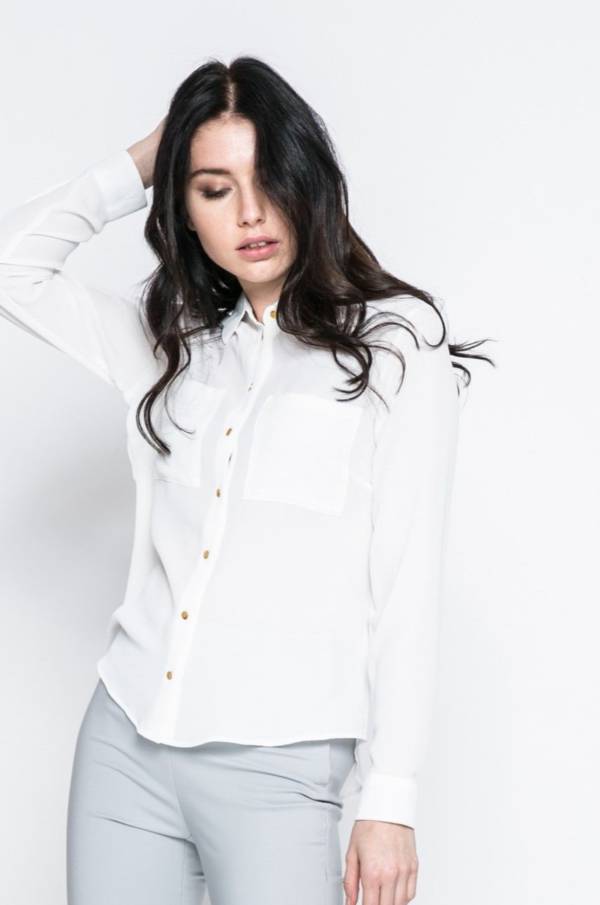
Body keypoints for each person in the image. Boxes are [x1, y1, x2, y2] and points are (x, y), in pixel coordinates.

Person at [0, 56, 490, 905]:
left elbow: (407, 581)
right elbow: (14, 267)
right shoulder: (173, 347)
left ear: (307, 182)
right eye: (214, 188)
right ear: (183, 210)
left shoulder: (397, 346)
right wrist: (144, 161)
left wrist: (391, 795)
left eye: (267, 178)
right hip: (126, 746)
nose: (250, 212)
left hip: (281, 765)